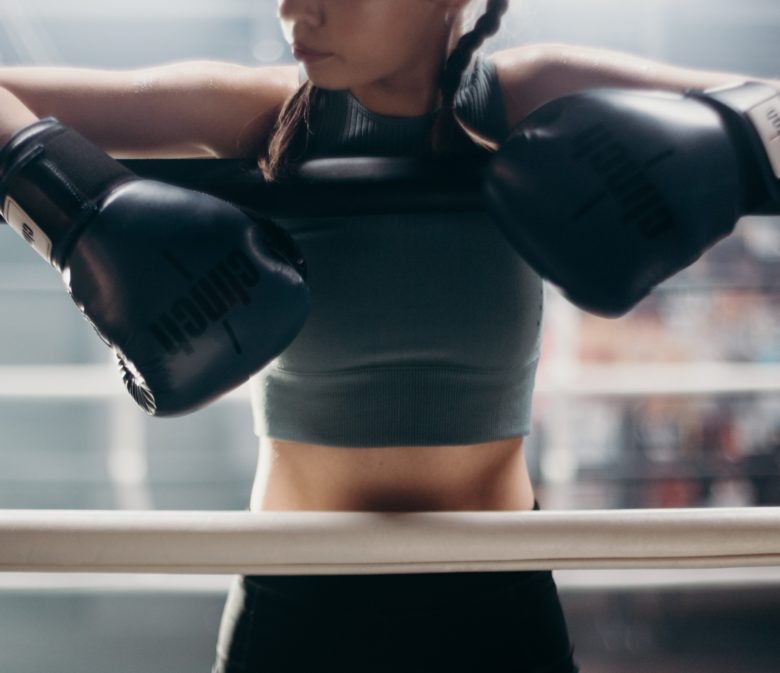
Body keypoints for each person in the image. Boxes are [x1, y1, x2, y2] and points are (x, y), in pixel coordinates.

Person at [1, 1, 778, 671]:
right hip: (294, 590)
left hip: (495, 592)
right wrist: (78, 210)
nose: (294, 10)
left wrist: (727, 150)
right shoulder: (256, 112)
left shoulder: (524, 96)